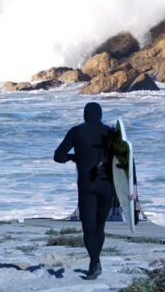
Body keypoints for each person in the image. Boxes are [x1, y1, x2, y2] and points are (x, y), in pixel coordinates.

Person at [53, 102, 137, 280]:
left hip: (86, 186)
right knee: (100, 226)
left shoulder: (76, 131)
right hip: (107, 186)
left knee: (88, 227)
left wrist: (73, 157)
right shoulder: (111, 133)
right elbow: (126, 159)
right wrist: (133, 187)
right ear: (100, 115)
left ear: (85, 115)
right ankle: (96, 261)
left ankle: (94, 262)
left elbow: (58, 156)